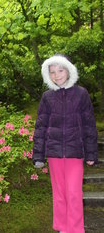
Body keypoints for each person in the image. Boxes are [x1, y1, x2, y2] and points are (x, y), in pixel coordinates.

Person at [32, 54, 98, 233]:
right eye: (52, 72)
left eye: (60, 70)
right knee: (59, 194)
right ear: (48, 75)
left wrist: (91, 153)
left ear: (69, 70)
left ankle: (75, 229)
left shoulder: (81, 94)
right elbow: (40, 127)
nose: (57, 75)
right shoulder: (47, 97)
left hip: (75, 152)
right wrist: (38, 155)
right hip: (53, 154)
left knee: (74, 194)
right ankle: (62, 228)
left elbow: (89, 125)